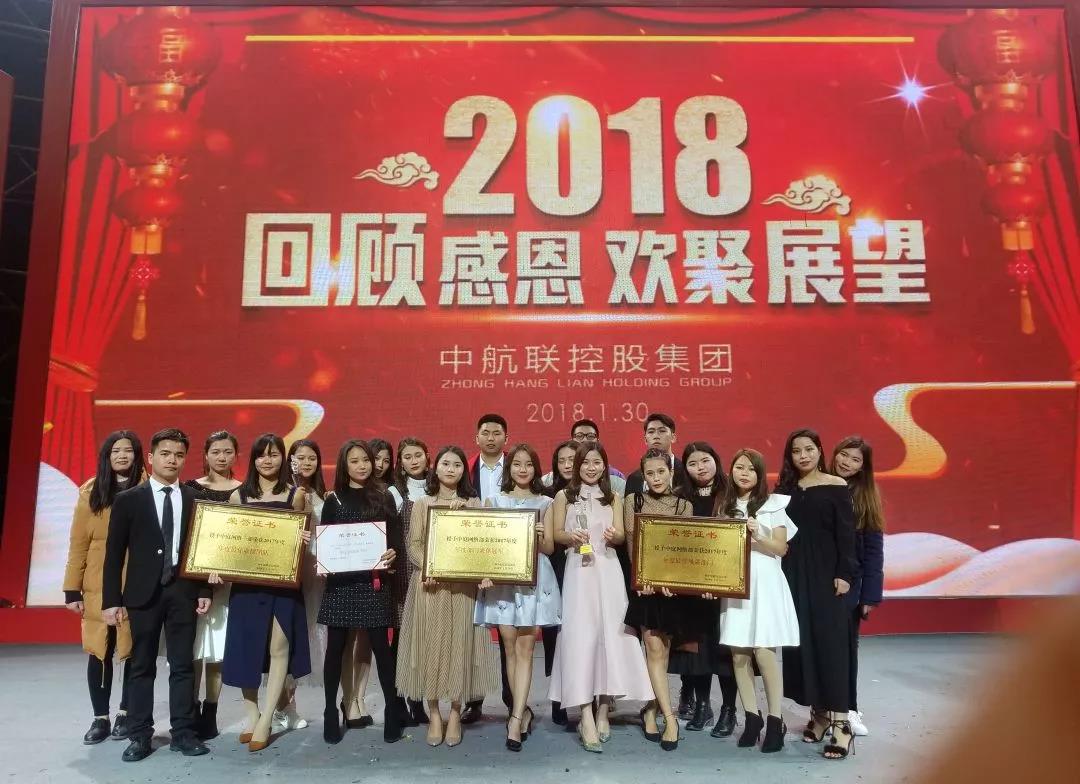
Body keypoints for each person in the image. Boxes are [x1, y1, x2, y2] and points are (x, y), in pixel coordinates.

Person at [101, 428, 212, 762]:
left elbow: (202, 549)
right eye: (165, 454)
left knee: (183, 666)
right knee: (141, 666)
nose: (172, 460)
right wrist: (111, 600)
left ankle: (183, 733)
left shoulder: (195, 499)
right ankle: (139, 735)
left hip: (183, 592)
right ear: (151, 458)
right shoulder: (128, 500)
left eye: (178, 455)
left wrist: (204, 589)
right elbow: (113, 554)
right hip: (141, 594)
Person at [549, 442, 652, 753]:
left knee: (611, 636)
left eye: (596, 462)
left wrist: (613, 536)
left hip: (607, 570)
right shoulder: (564, 496)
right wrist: (571, 537)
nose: (591, 468)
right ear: (577, 466)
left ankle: (604, 710)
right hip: (578, 572)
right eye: (585, 462)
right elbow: (556, 535)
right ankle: (585, 715)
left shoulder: (613, 497)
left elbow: (620, 534)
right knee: (581, 638)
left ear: (604, 466)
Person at [396, 446, 500, 748]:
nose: (451, 469)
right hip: (429, 587)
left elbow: (481, 543)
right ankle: (434, 714)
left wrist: (465, 516)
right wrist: (427, 567)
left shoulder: (474, 504)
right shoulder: (422, 503)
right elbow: (414, 544)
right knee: (429, 649)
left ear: (463, 470)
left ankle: (454, 713)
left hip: (462, 589)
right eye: (445, 463)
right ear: (436, 467)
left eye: (457, 464)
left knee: (459, 649)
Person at [222, 433, 311, 752]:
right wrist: (215, 565)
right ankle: (252, 715)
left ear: (283, 458)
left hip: (283, 585)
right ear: (253, 459)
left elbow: (305, 543)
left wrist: (304, 540)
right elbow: (227, 543)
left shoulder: (296, 495)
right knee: (246, 648)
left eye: (274, 454)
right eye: (261, 455)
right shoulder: (237, 496)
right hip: (247, 585)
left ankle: (267, 718)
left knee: (279, 647)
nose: (267, 460)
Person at [776, 429, 857, 760]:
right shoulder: (784, 491)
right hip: (793, 576)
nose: (803, 456)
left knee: (831, 647)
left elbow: (847, 536)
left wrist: (845, 574)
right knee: (803, 645)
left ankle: (841, 724)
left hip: (828, 577)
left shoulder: (836, 486)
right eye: (796, 451)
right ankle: (819, 716)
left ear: (821, 451)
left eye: (809, 449)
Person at [474, 443, 561, 751]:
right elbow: (487, 544)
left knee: (525, 649)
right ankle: (521, 710)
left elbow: (549, 547)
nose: (523, 469)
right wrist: (485, 571)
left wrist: (540, 536)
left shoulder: (546, 502)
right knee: (509, 648)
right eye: (517, 464)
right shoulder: (494, 500)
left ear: (536, 469)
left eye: (528, 464)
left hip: (534, 579)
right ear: (509, 469)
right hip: (503, 581)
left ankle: (514, 719)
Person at [624, 448, 713, 752]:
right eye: (650, 473)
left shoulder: (683, 505)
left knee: (663, 654)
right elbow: (633, 545)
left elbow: (682, 547)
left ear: (671, 472)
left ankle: (651, 708)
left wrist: (670, 581)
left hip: (673, 591)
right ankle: (670, 718)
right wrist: (643, 580)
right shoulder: (633, 501)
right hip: (645, 589)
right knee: (652, 649)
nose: (656, 478)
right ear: (643, 476)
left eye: (661, 472)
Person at [318, 440, 405, 744]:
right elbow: (326, 543)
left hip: (374, 584)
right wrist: (324, 560)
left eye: (366, 460)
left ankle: (392, 711)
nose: (362, 466)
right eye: (354, 461)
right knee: (335, 650)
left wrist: (393, 553)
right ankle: (331, 711)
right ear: (344, 465)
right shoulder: (334, 500)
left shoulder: (384, 496)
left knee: (382, 650)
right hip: (340, 586)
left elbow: (396, 540)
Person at [64, 431, 146, 745]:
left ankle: (126, 712)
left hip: (137, 581)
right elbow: (78, 543)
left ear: (138, 454)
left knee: (133, 650)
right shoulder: (90, 491)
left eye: (128, 450)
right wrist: (72, 588)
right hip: (97, 583)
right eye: (116, 451)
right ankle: (100, 717)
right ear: (106, 456)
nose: (122, 455)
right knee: (100, 650)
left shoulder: (148, 488)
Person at [717, 449, 800, 752]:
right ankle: (752, 718)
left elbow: (781, 548)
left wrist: (758, 533)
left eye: (751, 469)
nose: (744, 473)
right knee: (739, 653)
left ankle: (776, 720)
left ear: (760, 474)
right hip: (735, 583)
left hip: (764, 582)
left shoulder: (773, 504)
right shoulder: (725, 506)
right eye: (739, 467)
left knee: (764, 653)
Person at [677, 441, 738, 736]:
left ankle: (729, 709)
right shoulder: (680, 497)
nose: (700, 468)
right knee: (696, 649)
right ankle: (702, 704)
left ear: (716, 460)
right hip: (691, 589)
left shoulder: (732, 494)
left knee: (725, 650)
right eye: (692, 463)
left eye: (705, 460)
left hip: (724, 587)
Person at [184, 430, 241, 741]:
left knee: (217, 650)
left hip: (229, 583)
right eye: (216, 451)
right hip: (194, 582)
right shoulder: (189, 489)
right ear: (205, 454)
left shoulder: (244, 491)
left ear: (236, 455)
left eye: (228, 452)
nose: (222, 457)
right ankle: (190, 708)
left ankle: (211, 711)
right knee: (193, 648)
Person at [831, 435, 886, 738]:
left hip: (852, 585)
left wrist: (869, 595)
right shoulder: (821, 485)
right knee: (825, 648)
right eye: (844, 455)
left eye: (855, 460)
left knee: (846, 648)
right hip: (820, 580)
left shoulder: (866, 496)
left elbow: (874, 550)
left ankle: (848, 708)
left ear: (863, 467)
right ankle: (823, 710)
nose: (847, 463)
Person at [465, 414, 513, 721]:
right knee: (475, 632)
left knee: (509, 633)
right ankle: (474, 699)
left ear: (506, 438)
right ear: (477, 438)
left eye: (497, 433)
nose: (491, 437)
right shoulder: (466, 470)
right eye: (486, 432)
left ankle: (514, 701)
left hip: (509, 556)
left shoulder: (517, 466)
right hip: (474, 554)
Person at [388, 436, 432, 725]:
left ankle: (421, 698)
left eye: (418, 455)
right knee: (404, 639)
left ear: (428, 457)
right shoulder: (394, 492)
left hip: (434, 572)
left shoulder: (436, 488)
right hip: (405, 573)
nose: (414, 461)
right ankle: (404, 700)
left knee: (426, 638)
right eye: (407, 457)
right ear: (400, 463)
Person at [540, 440, 577, 726]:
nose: (567, 465)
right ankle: (557, 699)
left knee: (580, 633)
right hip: (555, 569)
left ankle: (586, 695)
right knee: (555, 633)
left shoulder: (595, 493)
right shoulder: (547, 496)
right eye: (561, 460)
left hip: (585, 569)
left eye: (572, 460)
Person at [541, 419, 626, 493]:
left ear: (598, 441)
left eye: (590, 436)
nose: (585, 440)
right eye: (579, 436)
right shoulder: (550, 479)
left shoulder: (615, 477)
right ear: (571, 440)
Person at [623, 413, 683, 497]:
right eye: (651, 432)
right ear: (645, 440)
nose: (656, 436)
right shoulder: (634, 478)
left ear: (673, 437)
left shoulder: (686, 473)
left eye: (662, 431)